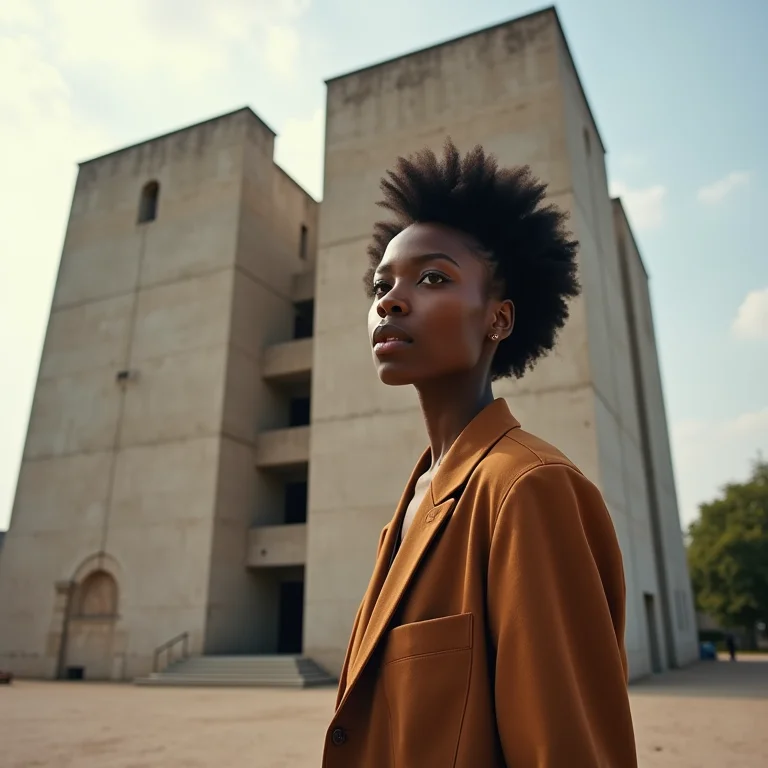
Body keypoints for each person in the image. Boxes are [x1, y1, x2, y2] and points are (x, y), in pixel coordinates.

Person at [322, 140, 638, 767]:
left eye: (433, 278)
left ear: (498, 318)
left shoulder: (528, 488)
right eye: (382, 284)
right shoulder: (412, 503)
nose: (390, 300)